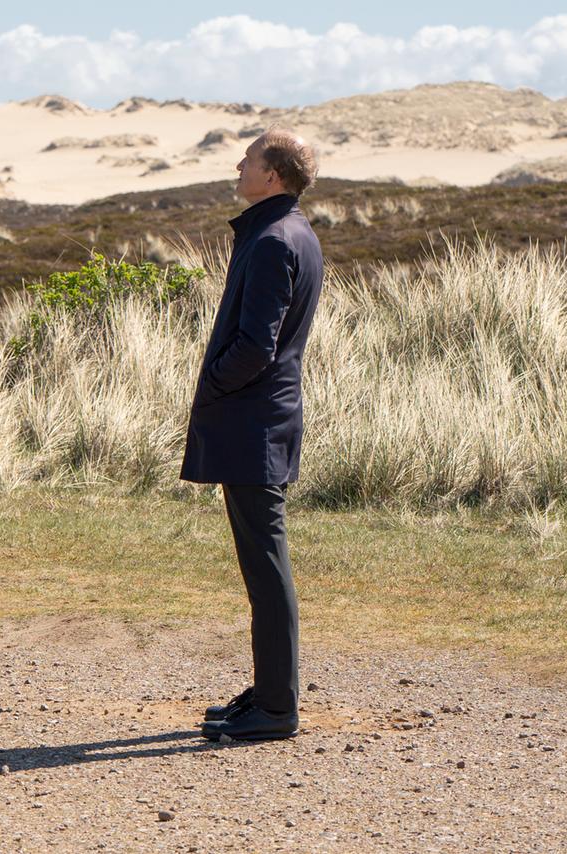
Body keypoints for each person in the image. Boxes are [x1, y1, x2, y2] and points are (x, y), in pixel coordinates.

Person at [184, 129, 323, 743]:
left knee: (267, 568)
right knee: (262, 565)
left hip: (254, 423)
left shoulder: (272, 240)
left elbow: (256, 348)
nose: (238, 166)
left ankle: (277, 707)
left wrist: (210, 385)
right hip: (261, 419)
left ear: (273, 176)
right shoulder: (291, 231)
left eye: (248, 159)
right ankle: (268, 692)